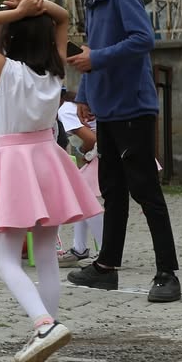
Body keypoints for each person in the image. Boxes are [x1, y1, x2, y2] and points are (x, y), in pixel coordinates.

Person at [0, 0, 102, 362]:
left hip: (15, 162)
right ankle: (50, 327)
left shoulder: (7, 70)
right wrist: (37, 5)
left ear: (10, 38)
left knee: (9, 259)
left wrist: (20, 10)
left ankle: (44, 324)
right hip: (47, 159)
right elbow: (62, 22)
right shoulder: (56, 70)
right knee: (44, 254)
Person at [56, 0, 181, 302]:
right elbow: (93, 48)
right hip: (107, 110)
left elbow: (144, 39)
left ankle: (167, 274)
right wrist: (86, 93)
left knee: (145, 190)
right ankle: (106, 267)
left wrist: (97, 59)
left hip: (133, 109)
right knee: (112, 189)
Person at [57, 90, 103, 267]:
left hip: (102, 151)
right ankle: (80, 248)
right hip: (105, 150)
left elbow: (92, 139)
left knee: (87, 199)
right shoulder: (72, 106)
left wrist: (85, 150)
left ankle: (105, 251)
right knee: (82, 196)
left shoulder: (65, 110)